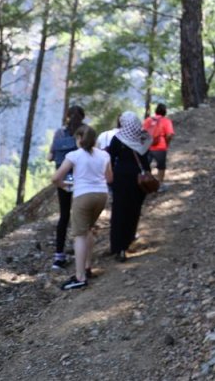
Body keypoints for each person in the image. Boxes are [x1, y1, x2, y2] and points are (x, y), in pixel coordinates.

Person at [51, 125, 112, 290]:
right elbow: (109, 178)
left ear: (79, 139)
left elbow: (56, 178)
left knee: (79, 235)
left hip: (83, 195)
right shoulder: (104, 155)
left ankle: (79, 277)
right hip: (101, 195)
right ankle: (87, 266)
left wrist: (66, 186)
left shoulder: (74, 155)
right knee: (88, 229)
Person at [108, 111, 152, 262]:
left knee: (119, 211)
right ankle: (128, 240)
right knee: (133, 210)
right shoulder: (143, 138)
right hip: (138, 180)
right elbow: (146, 160)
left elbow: (110, 159)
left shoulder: (118, 139)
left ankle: (118, 247)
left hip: (120, 179)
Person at [47, 105, 86, 270]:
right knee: (82, 216)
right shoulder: (86, 132)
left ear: (67, 116)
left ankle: (59, 256)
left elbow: (50, 157)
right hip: (81, 178)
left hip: (63, 178)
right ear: (83, 117)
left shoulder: (59, 133)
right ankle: (83, 255)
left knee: (64, 216)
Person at [142, 103, 175, 189]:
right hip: (160, 147)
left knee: (146, 166)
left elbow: (142, 133)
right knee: (161, 166)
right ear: (165, 112)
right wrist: (167, 143)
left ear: (156, 111)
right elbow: (169, 135)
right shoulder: (166, 121)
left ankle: (146, 184)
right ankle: (159, 185)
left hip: (147, 147)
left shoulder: (148, 120)